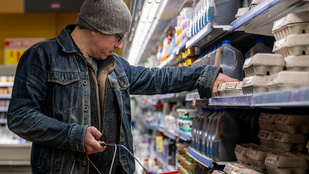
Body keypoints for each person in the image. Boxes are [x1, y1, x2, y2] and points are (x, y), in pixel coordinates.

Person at [7, 0, 238, 173]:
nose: (119, 45)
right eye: (117, 37)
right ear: (94, 28)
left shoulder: (116, 66)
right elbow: (20, 116)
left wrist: (206, 75)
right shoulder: (41, 57)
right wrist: (73, 135)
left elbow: (158, 78)